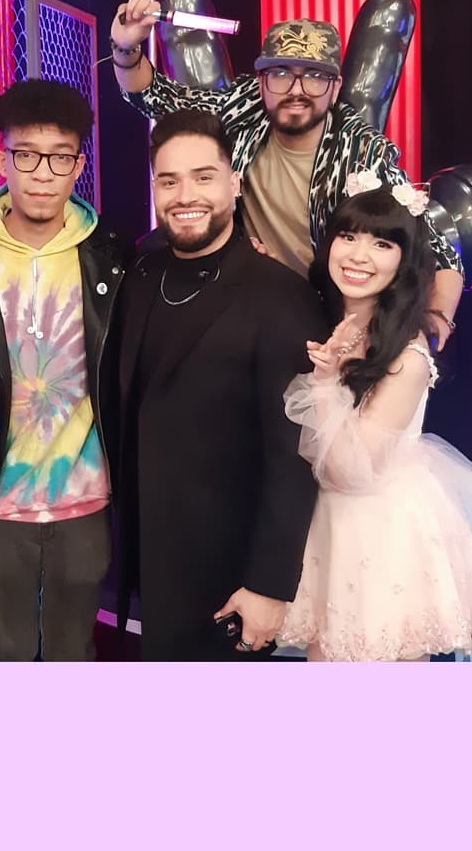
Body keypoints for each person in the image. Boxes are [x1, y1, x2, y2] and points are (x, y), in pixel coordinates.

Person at [274, 178, 472, 661]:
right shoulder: (328, 322)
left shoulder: (408, 356)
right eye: (349, 237)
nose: (359, 255)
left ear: (404, 260)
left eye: (382, 244)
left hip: (382, 528)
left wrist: (325, 383)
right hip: (329, 525)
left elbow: (349, 470)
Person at [109, 0, 464, 351]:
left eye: (315, 77)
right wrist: (126, 47)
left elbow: (440, 252)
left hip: (328, 318)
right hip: (247, 304)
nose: (296, 90)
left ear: (335, 88)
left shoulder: (362, 152)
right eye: (280, 74)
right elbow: (154, 96)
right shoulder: (243, 110)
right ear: (261, 82)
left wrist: (435, 321)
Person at [115, 109, 327, 660]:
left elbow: (296, 454)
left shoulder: (282, 296)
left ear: (234, 183)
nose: (186, 195)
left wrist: (270, 584)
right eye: (169, 180)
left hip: (229, 576)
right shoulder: (140, 274)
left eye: (203, 177)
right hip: (147, 561)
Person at [0, 79, 126, 661]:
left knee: (75, 649)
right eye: (26, 155)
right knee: (7, 649)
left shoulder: (111, 254)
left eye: (60, 157)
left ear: (79, 166)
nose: (43, 174)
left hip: (87, 494)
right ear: (2, 160)